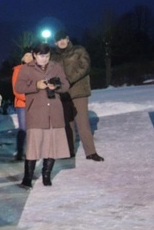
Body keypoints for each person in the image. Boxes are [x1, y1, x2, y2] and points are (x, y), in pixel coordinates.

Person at [14, 42, 70, 188]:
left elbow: (66, 85)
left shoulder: (56, 67)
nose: (44, 59)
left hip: (54, 112)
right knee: (33, 147)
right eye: (41, 56)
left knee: (52, 146)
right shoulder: (26, 69)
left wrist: (56, 86)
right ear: (34, 55)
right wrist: (36, 85)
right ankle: (27, 178)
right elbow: (18, 87)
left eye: (46, 56)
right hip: (36, 113)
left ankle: (46, 175)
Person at [52, 30, 104, 162]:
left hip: (78, 91)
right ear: (55, 42)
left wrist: (69, 79)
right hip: (63, 94)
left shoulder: (79, 50)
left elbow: (85, 66)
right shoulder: (54, 56)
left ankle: (91, 152)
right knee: (67, 125)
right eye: (58, 40)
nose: (62, 41)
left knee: (82, 123)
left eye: (63, 38)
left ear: (68, 38)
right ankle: (68, 151)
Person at [11, 50, 34, 161]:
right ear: (23, 58)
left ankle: (31, 151)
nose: (29, 57)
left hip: (35, 104)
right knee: (23, 129)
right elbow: (16, 89)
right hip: (22, 104)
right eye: (26, 55)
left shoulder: (37, 70)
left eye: (31, 55)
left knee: (34, 129)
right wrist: (27, 99)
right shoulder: (18, 70)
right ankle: (20, 151)